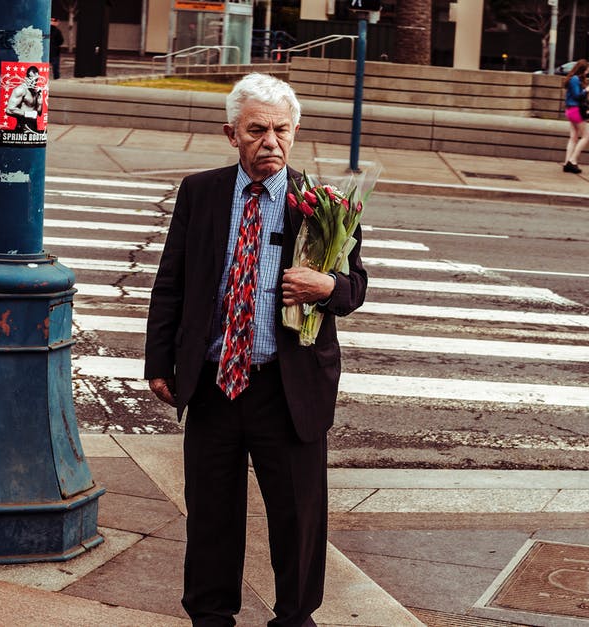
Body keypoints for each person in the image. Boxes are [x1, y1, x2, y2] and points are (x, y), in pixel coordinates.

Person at [144, 73, 367, 627]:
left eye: (281, 129)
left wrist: (328, 288)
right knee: (212, 516)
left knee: (297, 518)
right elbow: (170, 283)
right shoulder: (200, 192)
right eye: (257, 130)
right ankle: (211, 616)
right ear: (231, 134)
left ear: (295, 133)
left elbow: (356, 285)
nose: (271, 141)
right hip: (216, 383)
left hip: (286, 388)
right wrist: (159, 362)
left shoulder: (323, 203)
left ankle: (295, 617)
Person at [562, 59, 589, 174]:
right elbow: (578, 96)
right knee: (586, 136)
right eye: (587, 70)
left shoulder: (573, 79)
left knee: (573, 137)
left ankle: (567, 162)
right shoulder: (574, 79)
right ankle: (572, 161)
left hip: (571, 110)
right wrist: (588, 89)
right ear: (582, 69)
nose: (588, 72)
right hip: (575, 110)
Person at [4, 65, 44, 132]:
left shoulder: (35, 91)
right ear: (26, 78)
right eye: (32, 79)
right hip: (22, 128)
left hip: (33, 127)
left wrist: (40, 100)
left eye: (36, 79)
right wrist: (27, 114)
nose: (34, 82)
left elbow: (38, 113)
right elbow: (9, 110)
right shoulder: (21, 90)